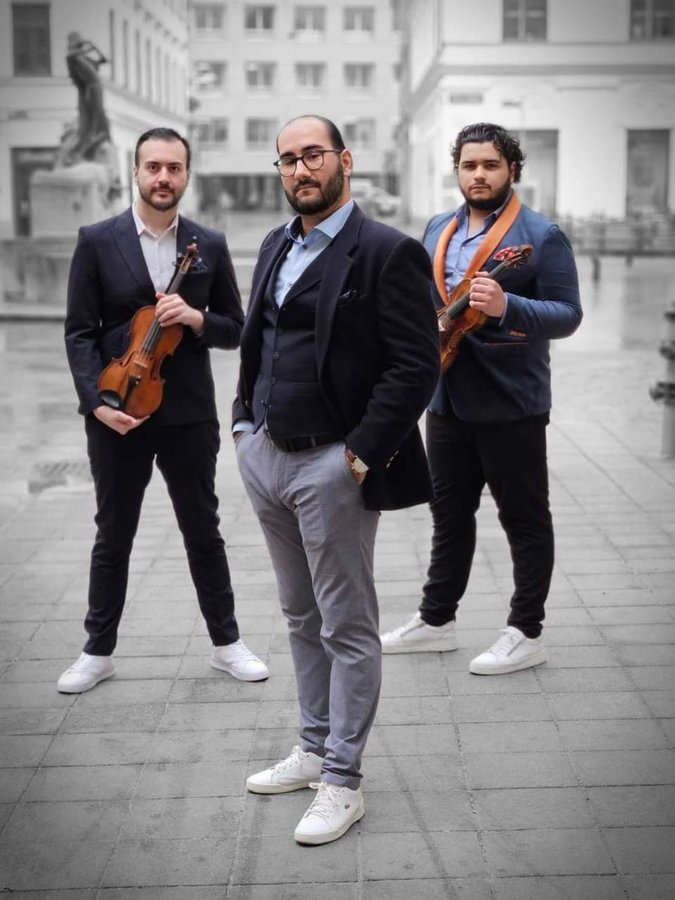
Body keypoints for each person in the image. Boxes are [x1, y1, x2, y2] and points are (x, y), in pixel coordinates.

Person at [233, 115, 439, 844]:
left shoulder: (387, 252)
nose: (300, 169)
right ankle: (314, 747)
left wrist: (357, 455)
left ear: (344, 161)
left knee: (346, 624)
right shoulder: (274, 243)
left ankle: (342, 781)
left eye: (312, 154)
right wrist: (242, 427)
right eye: (287, 159)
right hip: (265, 456)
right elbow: (257, 343)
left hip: (332, 465)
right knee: (299, 616)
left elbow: (416, 365)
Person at [60, 127, 268, 693]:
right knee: (113, 533)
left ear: (187, 175)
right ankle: (96, 651)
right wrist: (96, 404)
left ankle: (227, 644)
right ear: (135, 171)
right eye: (153, 166)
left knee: (203, 528)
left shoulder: (209, 244)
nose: (163, 177)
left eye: (174, 168)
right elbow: (79, 333)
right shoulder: (97, 240)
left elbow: (237, 329)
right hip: (117, 409)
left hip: (188, 414)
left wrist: (197, 319)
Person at [380, 122, 583, 674]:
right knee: (449, 515)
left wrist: (507, 307)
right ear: (457, 170)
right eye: (469, 165)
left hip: (511, 401)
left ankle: (526, 631)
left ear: (512, 170)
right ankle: (437, 620)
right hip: (445, 397)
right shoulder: (437, 227)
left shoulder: (543, 234)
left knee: (524, 519)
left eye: (491, 165)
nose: (479, 174)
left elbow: (568, 315)